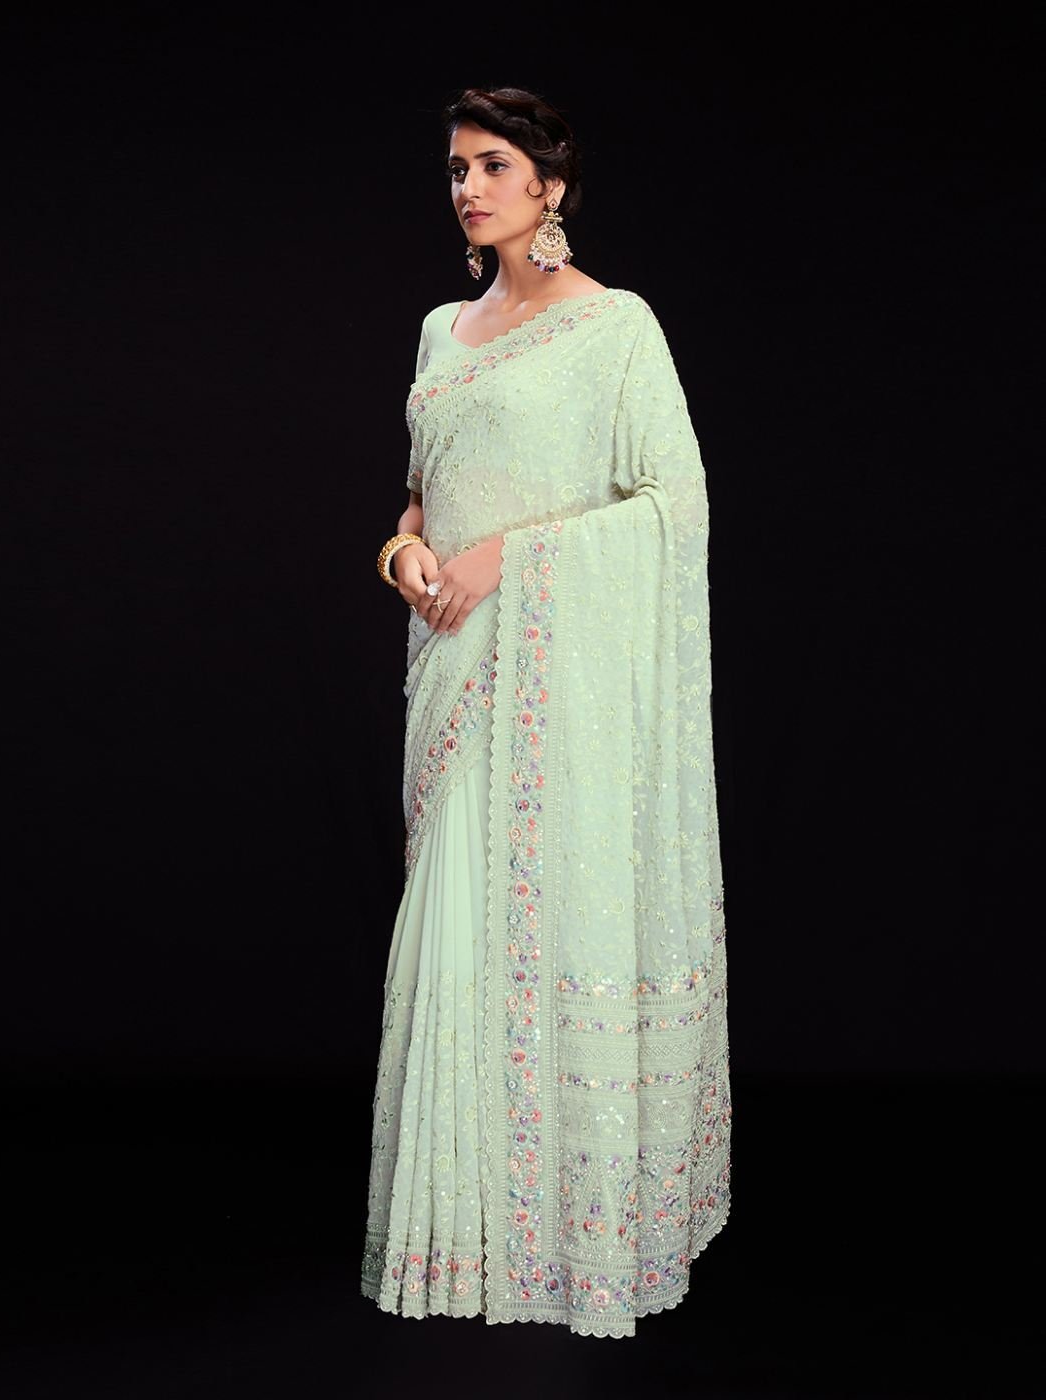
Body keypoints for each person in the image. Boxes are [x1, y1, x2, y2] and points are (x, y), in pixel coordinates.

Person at [360, 86, 732, 1339]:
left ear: (549, 186)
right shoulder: (440, 329)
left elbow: (672, 506)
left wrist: (509, 556)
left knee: (527, 922)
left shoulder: (614, 326)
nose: (468, 187)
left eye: (492, 165)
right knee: (450, 935)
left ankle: (561, 1234)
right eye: (456, 168)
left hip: (547, 682)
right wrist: (404, 550)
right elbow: (421, 494)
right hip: (448, 661)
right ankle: (454, 1238)